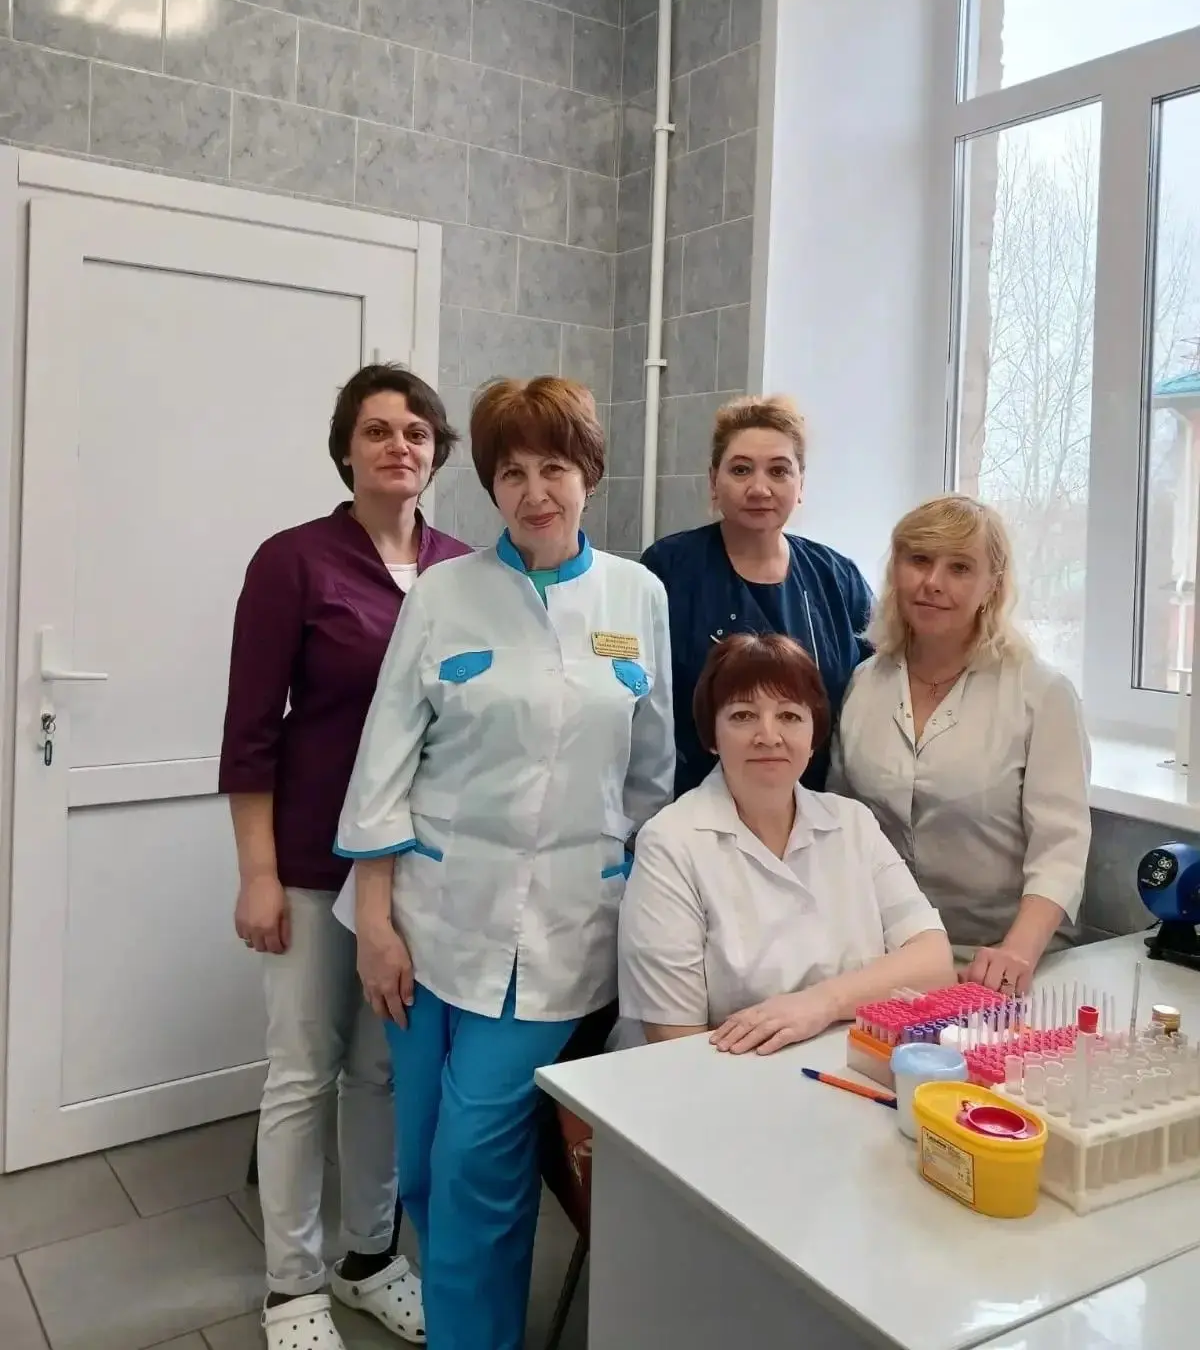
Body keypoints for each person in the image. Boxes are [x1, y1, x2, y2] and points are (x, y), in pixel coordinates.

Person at [334, 375, 674, 1350]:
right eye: (511, 473)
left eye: (553, 468)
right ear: (490, 485)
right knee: (423, 1163)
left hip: (560, 934)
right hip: (426, 918)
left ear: (589, 474)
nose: (534, 492)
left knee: (477, 1156)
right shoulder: (446, 593)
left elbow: (651, 777)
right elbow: (384, 760)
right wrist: (376, 925)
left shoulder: (637, 595)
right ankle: (468, 1316)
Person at [219, 365, 469, 1350]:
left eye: (416, 431)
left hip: (417, 871)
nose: (398, 445)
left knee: (381, 1073)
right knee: (301, 1071)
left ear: (436, 454)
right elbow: (250, 731)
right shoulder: (293, 562)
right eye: (377, 430)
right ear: (346, 450)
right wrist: (258, 873)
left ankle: (369, 1260)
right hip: (312, 861)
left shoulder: (461, 569)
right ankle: (291, 1288)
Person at [618, 632, 952, 1053]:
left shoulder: (852, 823)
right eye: (743, 715)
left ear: (814, 736)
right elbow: (674, 1038)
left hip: (850, 1066)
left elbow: (934, 961)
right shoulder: (671, 842)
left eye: (790, 716)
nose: (769, 735)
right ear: (711, 735)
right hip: (720, 1076)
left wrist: (821, 1004)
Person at [830, 494, 1092, 994]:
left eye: (960, 568)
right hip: (891, 951)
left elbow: (1061, 848)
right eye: (919, 560)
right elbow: (842, 824)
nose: (933, 582)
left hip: (1000, 955)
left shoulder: (1041, 693)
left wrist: (1017, 951)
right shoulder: (865, 682)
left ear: (993, 583)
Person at [641, 395, 873, 798]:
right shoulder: (670, 569)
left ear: (801, 485)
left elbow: (875, 687)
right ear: (713, 481)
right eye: (741, 469)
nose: (760, 488)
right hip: (694, 806)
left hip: (814, 807)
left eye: (779, 471)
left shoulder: (836, 578)